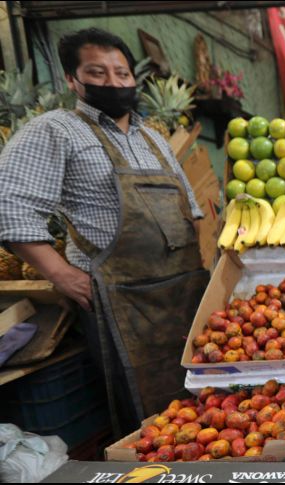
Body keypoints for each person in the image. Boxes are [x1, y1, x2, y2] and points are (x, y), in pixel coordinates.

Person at [0, 28, 209, 433]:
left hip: (183, 296)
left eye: (122, 73)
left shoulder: (152, 138)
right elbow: (9, 204)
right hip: (121, 302)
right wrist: (61, 275)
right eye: (98, 73)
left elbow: (191, 211)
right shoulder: (55, 131)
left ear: (134, 78)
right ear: (72, 79)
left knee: (205, 408)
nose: (113, 83)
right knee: (151, 423)